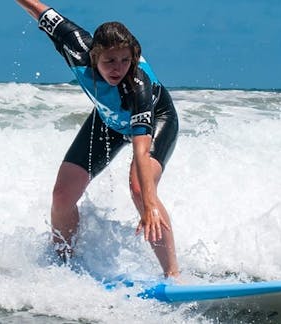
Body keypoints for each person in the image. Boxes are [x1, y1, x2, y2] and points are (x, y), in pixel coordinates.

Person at [15, 0, 181, 279]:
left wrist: (150, 205)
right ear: (94, 57)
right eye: (110, 61)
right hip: (107, 119)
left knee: (141, 191)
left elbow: (140, 152)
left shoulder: (138, 87)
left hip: (156, 118)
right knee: (62, 195)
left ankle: (173, 275)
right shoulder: (75, 45)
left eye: (125, 60)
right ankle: (63, 266)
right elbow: (39, 10)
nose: (118, 68)